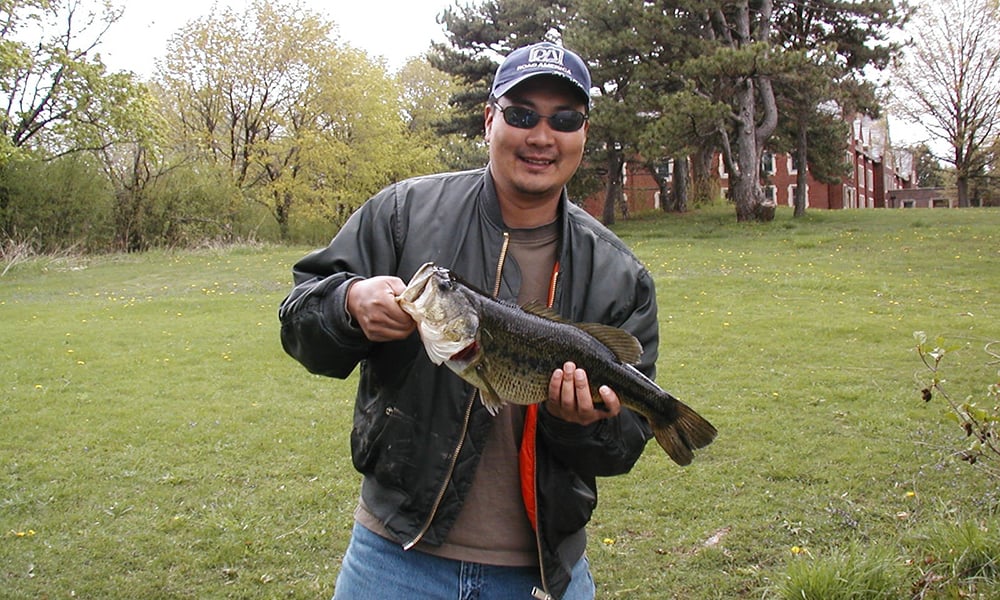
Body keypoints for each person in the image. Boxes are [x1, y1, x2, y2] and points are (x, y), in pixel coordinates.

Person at [278, 41, 659, 600]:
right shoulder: (403, 213)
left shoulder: (619, 274)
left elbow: (622, 446)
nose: (540, 136)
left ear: (583, 133)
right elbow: (297, 320)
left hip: (544, 574)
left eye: (564, 119)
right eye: (522, 114)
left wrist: (584, 422)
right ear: (489, 120)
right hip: (393, 560)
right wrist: (348, 304)